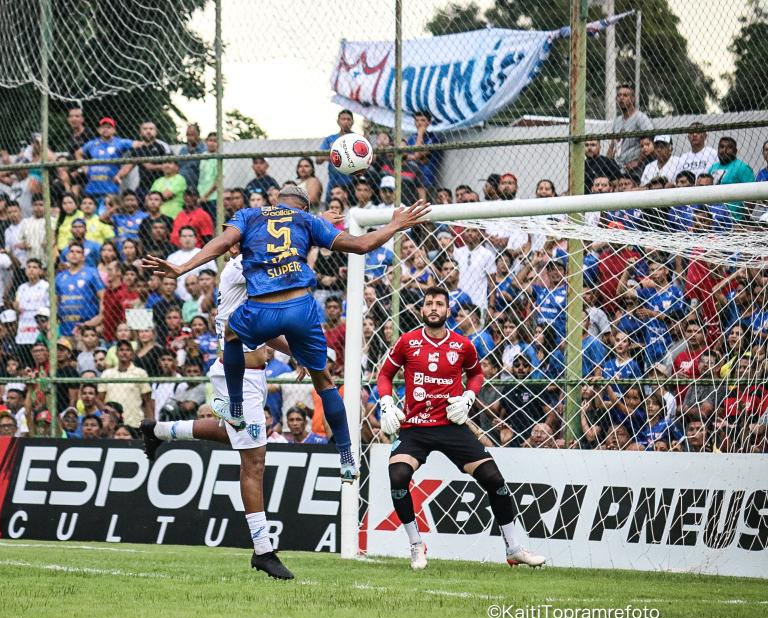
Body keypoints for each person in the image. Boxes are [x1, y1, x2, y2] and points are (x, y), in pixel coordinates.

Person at [144, 186, 430, 482]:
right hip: (301, 309)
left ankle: (236, 408)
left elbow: (222, 242)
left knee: (231, 333)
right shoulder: (308, 222)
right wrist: (395, 224)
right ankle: (346, 456)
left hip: (261, 310)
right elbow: (360, 245)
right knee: (325, 383)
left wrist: (182, 267)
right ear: (303, 209)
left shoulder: (250, 215)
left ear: (274, 201)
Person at [140, 243, 296, 580]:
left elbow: (266, 328)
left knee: (232, 433)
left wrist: (297, 352)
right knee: (253, 461)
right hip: (241, 376)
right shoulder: (241, 269)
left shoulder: (247, 274)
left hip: (246, 373)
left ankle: (159, 431)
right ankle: (263, 550)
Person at [375, 286, 544, 570]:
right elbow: (385, 374)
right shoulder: (407, 342)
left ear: (448, 310)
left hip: (451, 425)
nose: (433, 308)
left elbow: (476, 374)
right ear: (421, 310)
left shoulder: (463, 345)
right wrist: (386, 403)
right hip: (415, 427)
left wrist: (468, 397)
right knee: (398, 475)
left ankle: (514, 548)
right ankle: (417, 544)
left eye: (439, 304)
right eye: (428, 303)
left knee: (494, 479)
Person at [607, 82, 652, 174]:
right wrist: (606, 163)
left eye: (625, 95)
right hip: (618, 166)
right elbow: (613, 145)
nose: (621, 98)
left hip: (635, 168)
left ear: (632, 99)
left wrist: (638, 162)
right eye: (619, 95)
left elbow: (650, 143)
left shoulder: (640, 118)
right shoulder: (617, 121)